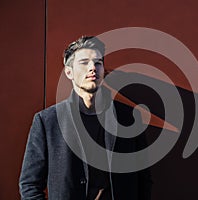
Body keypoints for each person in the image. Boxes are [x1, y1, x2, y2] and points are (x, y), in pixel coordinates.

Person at [19, 36, 152, 200]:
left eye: (98, 63)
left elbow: (143, 179)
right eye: (84, 63)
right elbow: (29, 185)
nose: (93, 68)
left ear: (104, 70)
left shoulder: (129, 117)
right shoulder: (47, 121)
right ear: (69, 72)